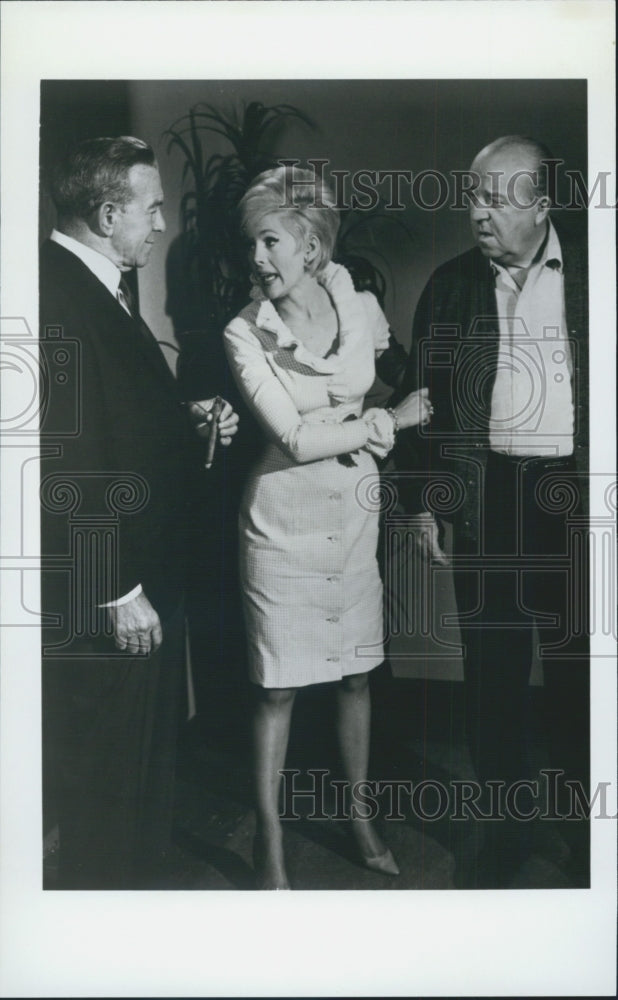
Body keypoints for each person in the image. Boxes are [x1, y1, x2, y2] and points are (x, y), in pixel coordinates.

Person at [223, 165, 432, 889]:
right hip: (280, 524)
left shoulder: (362, 307)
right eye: (251, 244)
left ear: (311, 247)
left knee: (354, 678)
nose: (256, 259)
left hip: (352, 518)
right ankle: (270, 840)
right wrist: (385, 424)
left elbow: (390, 384)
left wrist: (388, 418)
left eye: (269, 241)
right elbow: (293, 438)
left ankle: (360, 816)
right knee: (277, 688)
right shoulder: (243, 333)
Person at [39, 135, 238, 888]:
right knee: (108, 799)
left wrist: (181, 418)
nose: (161, 223)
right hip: (114, 599)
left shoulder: (96, 288)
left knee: (139, 787)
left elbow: (105, 423)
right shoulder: (52, 294)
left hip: (144, 588)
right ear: (107, 209)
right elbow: (59, 465)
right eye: (151, 208)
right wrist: (116, 589)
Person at [395, 136, 589, 887]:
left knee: (580, 675)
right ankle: (503, 835)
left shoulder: (595, 277)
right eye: (472, 196)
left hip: (574, 499)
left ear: (541, 206)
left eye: (495, 200)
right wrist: (422, 504)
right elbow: (421, 398)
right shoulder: (450, 287)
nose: (475, 213)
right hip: (488, 499)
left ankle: (584, 838)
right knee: (493, 679)